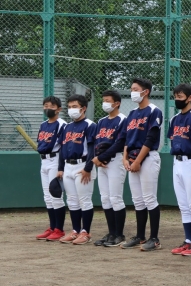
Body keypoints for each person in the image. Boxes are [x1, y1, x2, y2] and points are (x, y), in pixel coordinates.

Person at [120, 78, 164, 251]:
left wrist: (138, 161)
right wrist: (125, 158)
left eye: (135, 89)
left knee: (149, 198)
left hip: (148, 157)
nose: (132, 92)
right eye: (132, 89)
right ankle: (140, 236)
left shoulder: (154, 111)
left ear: (146, 92)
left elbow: (151, 138)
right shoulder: (132, 113)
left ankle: (154, 239)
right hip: (132, 158)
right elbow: (127, 138)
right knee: (137, 200)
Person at [168, 83, 191, 256]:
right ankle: (188, 240)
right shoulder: (174, 119)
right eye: (175, 96)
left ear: (190, 98)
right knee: (183, 205)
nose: (177, 99)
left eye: (180, 96)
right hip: (177, 162)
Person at [57, 94, 97, 245]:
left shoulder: (90, 125)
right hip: (68, 166)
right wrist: (61, 168)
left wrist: (88, 168)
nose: (71, 109)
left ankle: (85, 232)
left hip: (83, 165)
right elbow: (62, 149)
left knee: (84, 200)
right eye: (69, 107)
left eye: (75, 106)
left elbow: (92, 148)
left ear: (83, 108)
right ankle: (75, 231)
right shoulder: (67, 127)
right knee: (72, 200)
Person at [91, 90, 128, 247]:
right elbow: (97, 142)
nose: (105, 103)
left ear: (117, 103)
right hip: (102, 162)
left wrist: (101, 157)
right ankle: (111, 233)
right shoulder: (101, 121)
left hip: (115, 160)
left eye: (108, 100)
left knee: (115, 198)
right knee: (105, 198)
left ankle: (119, 234)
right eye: (104, 100)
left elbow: (120, 143)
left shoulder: (123, 120)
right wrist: (98, 158)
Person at [36, 96, 68, 241]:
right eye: (45, 106)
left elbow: (63, 146)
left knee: (55, 195)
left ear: (58, 109)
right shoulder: (43, 125)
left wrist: (61, 167)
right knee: (47, 197)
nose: (47, 108)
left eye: (51, 106)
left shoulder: (62, 124)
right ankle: (52, 227)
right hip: (44, 160)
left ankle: (59, 229)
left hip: (55, 159)